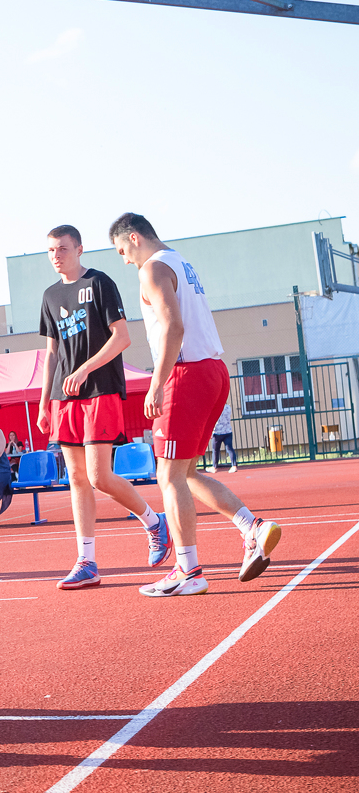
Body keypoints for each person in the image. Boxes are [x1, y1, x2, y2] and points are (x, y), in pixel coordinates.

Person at [109, 213, 281, 596]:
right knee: (185, 473)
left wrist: (156, 384)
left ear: (134, 238)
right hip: (213, 370)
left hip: (186, 374)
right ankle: (251, 528)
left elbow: (174, 327)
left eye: (121, 250)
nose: (124, 259)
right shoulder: (181, 262)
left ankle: (188, 571)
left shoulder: (152, 269)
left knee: (167, 476)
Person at [38, 224, 172, 590]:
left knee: (99, 476)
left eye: (63, 249)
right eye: (51, 250)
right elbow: (52, 354)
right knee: (76, 479)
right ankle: (87, 562)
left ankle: (154, 522)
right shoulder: (50, 296)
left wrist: (84, 369)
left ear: (79, 249)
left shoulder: (99, 283)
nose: (56, 255)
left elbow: (122, 337)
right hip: (65, 397)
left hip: (100, 389)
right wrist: (45, 402)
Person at [207, 403, 238, 474]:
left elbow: (212, 420)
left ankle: (214, 467)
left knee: (215, 450)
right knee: (230, 448)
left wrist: (210, 431)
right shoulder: (228, 407)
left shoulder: (215, 408)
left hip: (217, 432)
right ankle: (234, 465)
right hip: (228, 431)